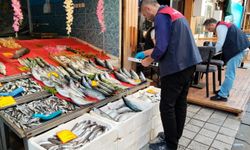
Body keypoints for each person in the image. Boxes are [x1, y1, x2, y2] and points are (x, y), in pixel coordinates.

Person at [135, 0, 202, 149]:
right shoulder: (174, 13)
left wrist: (148, 60)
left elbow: (161, 46)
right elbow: (171, 42)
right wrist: (147, 53)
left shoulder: (161, 16)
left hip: (176, 67)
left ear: (147, 8)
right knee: (180, 102)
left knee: (167, 106)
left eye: (145, 15)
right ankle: (174, 136)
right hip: (189, 64)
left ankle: (170, 145)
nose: (147, 18)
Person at [203, 18, 250, 101]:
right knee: (230, 73)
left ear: (212, 24)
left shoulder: (220, 27)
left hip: (237, 50)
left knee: (230, 74)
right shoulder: (224, 25)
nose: (210, 31)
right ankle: (224, 90)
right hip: (240, 49)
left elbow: (220, 43)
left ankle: (223, 95)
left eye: (209, 29)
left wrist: (211, 54)